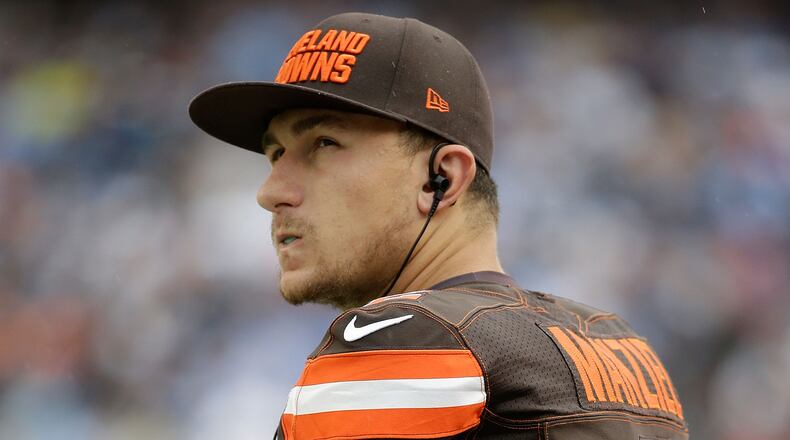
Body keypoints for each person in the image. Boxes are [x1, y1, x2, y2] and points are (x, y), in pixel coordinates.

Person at [189, 12, 689, 440]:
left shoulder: (403, 339)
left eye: (323, 144)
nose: (270, 192)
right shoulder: (618, 345)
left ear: (442, 178)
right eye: (274, 153)